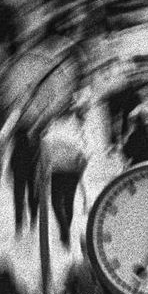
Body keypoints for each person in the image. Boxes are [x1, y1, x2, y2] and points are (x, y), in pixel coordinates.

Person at [41, 104, 89, 251]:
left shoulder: (48, 137)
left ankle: (64, 231)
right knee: (69, 202)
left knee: (56, 202)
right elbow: (84, 156)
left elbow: (45, 158)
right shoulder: (74, 134)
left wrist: (44, 174)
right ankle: (65, 230)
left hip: (58, 172)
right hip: (73, 172)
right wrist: (80, 170)